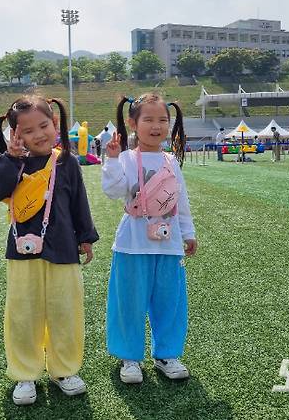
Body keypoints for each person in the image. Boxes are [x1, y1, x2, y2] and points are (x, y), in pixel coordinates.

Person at [0, 95, 99, 406]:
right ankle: (26, 374)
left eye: (44, 125)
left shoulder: (66, 162)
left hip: (63, 250)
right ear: (16, 135)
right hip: (22, 253)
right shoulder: (11, 163)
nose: (39, 134)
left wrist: (86, 237)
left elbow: (79, 202)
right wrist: (9, 158)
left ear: (55, 124)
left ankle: (64, 370)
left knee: (65, 312)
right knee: (23, 314)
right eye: (28, 130)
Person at [102, 93, 197, 385]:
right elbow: (114, 190)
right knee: (129, 302)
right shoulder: (127, 158)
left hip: (168, 247)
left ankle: (167, 354)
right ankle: (129, 358)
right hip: (132, 245)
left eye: (162, 120)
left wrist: (189, 232)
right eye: (148, 120)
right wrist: (113, 159)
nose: (156, 126)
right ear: (133, 123)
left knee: (170, 301)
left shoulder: (171, 161)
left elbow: (181, 202)